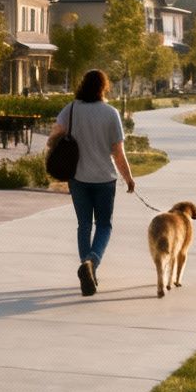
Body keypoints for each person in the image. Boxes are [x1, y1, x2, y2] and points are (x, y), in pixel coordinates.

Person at [51, 69, 134, 296]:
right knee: (104, 225)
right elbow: (118, 152)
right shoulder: (110, 113)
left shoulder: (71, 110)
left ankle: (86, 269)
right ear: (103, 88)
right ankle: (92, 262)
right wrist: (128, 178)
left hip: (78, 178)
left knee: (84, 225)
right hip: (105, 179)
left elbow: (54, 136)